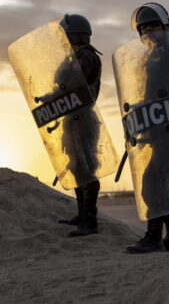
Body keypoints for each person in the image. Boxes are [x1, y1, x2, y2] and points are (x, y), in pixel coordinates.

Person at [125, 3, 169, 254]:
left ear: (165, 27)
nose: (149, 32)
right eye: (144, 28)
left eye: (154, 26)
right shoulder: (149, 58)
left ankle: (155, 237)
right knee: (161, 182)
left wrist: (150, 106)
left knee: (153, 181)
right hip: (158, 130)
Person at [52, 14, 103, 237]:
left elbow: (73, 81)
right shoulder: (73, 56)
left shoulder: (85, 56)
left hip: (83, 118)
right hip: (72, 117)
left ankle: (90, 221)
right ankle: (82, 214)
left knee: (86, 168)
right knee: (76, 166)